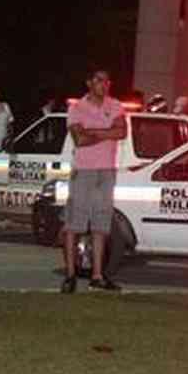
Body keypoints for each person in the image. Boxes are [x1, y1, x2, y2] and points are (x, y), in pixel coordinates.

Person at [62, 69, 127, 293]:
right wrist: (108, 131)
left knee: (101, 226)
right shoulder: (77, 108)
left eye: (107, 80)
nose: (104, 84)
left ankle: (97, 276)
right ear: (89, 82)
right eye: (99, 80)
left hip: (106, 171)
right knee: (74, 224)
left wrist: (94, 132)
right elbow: (79, 139)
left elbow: (122, 132)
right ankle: (70, 275)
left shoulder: (116, 105)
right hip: (84, 171)